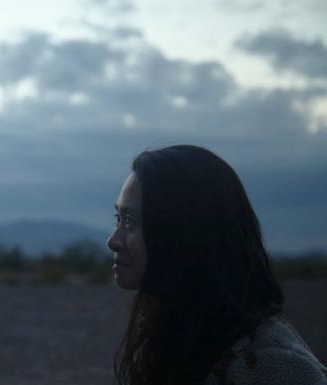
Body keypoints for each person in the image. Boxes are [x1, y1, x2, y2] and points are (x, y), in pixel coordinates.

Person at [107, 145, 327, 385]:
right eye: (118, 218)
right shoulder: (178, 338)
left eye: (130, 221)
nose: (113, 241)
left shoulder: (268, 365)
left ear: (185, 230)